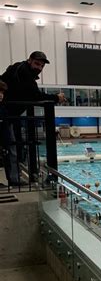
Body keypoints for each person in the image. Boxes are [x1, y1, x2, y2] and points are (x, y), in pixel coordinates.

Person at [0, 51, 66, 185]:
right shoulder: (24, 72)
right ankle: (14, 180)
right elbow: (35, 95)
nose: (39, 68)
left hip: (8, 115)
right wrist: (56, 98)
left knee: (10, 148)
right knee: (10, 148)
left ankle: (14, 178)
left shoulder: (18, 68)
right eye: (37, 64)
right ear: (29, 60)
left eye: (42, 66)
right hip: (6, 115)